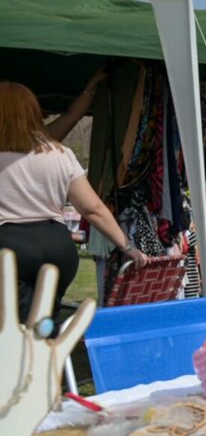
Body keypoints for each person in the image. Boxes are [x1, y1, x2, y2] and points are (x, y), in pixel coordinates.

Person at [0, 80, 149, 328]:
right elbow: (93, 209)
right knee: (43, 325)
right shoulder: (60, 154)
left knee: (13, 329)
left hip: (8, 245)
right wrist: (127, 246)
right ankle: (49, 361)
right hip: (56, 246)